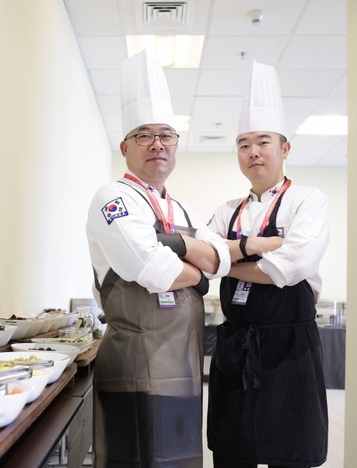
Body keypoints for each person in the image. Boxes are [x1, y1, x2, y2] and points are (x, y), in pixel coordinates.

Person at [86, 51, 278, 468]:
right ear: (124, 146)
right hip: (132, 368)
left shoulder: (185, 210)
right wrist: (199, 266)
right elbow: (155, 272)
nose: (157, 144)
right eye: (144, 135)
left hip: (184, 370)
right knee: (132, 457)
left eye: (167, 135)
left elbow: (221, 259)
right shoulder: (112, 199)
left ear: (176, 145)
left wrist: (176, 247)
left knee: (180, 459)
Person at [206, 61, 331, 468]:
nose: (253, 152)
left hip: (289, 351)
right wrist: (260, 246)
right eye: (243, 144)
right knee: (230, 454)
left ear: (285, 148)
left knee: (290, 454)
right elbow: (197, 255)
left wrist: (226, 257)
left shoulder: (308, 201)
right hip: (235, 349)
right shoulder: (227, 209)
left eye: (263, 141)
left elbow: (289, 268)